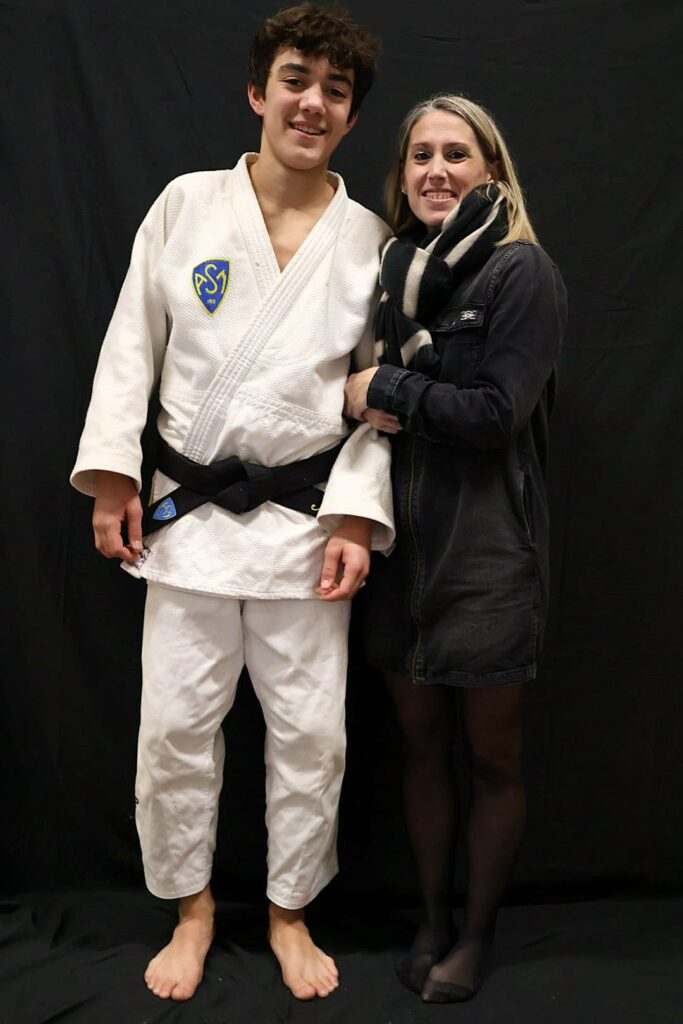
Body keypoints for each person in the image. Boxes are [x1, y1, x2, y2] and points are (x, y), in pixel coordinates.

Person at [70, 4, 394, 1003]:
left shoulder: (369, 241)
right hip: (188, 517)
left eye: (334, 91)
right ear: (258, 91)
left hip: (304, 525)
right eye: (295, 80)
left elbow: (381, 396)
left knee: (311, 735)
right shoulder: (186, 205)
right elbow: (131, 341)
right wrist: (114, 473)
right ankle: (193, 909)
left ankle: (289, 912)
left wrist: (356, 512)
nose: (312, 103)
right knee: (174, 725)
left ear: (350, 118)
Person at [345, 94, 567, 1003]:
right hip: (398, 556)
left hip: (488, 563)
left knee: (491, 760)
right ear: (401, 176)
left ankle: (474, 937)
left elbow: (494, 416)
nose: (436, 170)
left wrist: (384, 387)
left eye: (456, 154)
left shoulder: (520, 272)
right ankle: (432, 918)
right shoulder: (386, 274)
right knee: (418, 749)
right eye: (419, 155)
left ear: (490, 171)